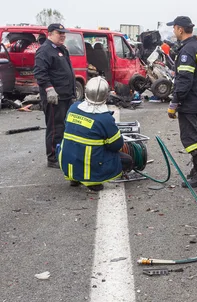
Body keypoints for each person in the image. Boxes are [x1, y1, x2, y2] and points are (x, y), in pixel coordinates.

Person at [57, 77, 131, 192]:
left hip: (67, 163)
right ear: (106, 96)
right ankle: (92, 181)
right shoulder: (104, 118)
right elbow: (117, 145)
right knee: (127, 160)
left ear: (86, 92)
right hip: (90, 169)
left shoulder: (73, 108)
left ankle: (75, 178)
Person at [166, 16, 197, 188]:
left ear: (179, 29)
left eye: (174, 28)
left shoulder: (187, 51)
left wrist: (174, 103)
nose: (173, 31)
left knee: (190, 138)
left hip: (190, 102)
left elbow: (184, 81)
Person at [34, 23, 76, 169]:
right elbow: (40, 73)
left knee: (65, 127)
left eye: (64, 33)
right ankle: (53, 158)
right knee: (55, 128)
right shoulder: (44, 51)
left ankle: (62, 153)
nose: (63, 35)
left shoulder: (62, 49)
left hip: (65, 96)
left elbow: (67, 71)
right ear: (50, 34)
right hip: (54, 98)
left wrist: (73, 93)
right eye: (60, 33)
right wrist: (49, 89)